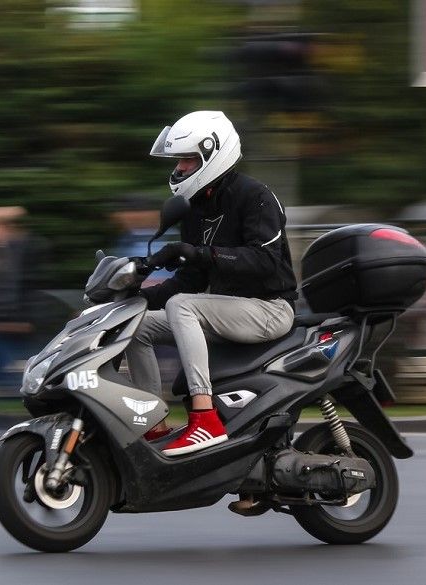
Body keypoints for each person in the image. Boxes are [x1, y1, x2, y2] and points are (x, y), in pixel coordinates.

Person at [126, 111, 298, 456]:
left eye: (189, 160)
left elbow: (264, 263)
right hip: (225, 311)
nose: (181, 168)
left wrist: (199, 253)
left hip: (269, 310)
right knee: (134, 324)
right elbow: (191, 279)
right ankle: (152, 426)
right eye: (180, 161)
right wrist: (136, 297)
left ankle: (205, 419)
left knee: (182, 306)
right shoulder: (193, 208)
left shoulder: (256, 197)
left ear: (213, 154)